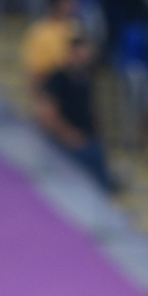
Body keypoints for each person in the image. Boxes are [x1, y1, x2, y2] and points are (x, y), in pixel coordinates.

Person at [36, 36, 113, 190]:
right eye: (81, 54)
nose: (85, 58)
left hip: (89, 140)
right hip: (69, 144)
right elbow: (47, 114)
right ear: (72, 53)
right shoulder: (57, 79)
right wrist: (69, 136)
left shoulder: (86, 79)